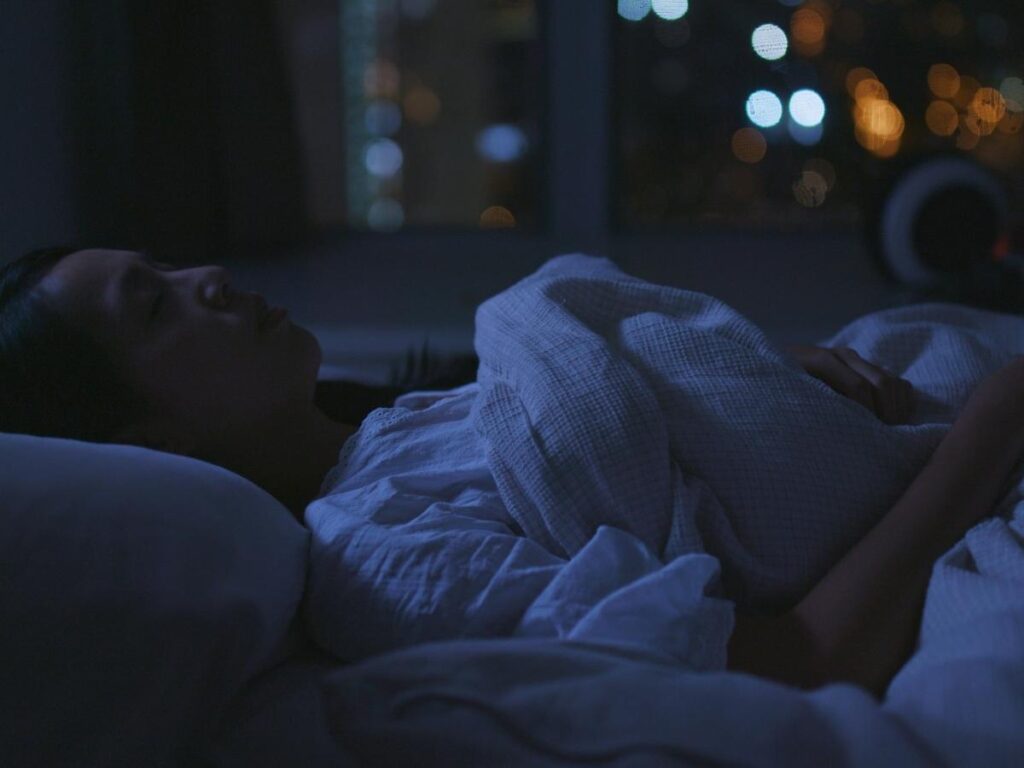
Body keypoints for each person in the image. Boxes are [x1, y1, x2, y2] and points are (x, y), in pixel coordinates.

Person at [3, 245, 1023, 696]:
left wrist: (753, 364)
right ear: (151, 446)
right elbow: (792, 662)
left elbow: (596, 395)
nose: (207, 280)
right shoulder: (383, 554)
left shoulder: (405, 421)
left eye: (168, 268)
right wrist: (987, 436)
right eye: (153, 305)